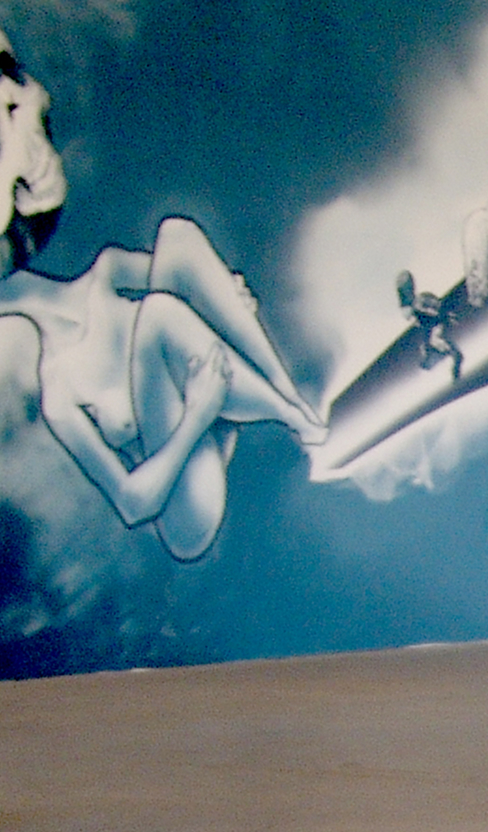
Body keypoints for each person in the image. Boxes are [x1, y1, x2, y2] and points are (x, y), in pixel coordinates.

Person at [0, 31, 326, 563]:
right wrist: (199, 412)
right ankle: (286, 412)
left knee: (177, 235)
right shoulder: (59, 391)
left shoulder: (104, 278)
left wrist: (228, 296)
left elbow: (194, 273)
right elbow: (133, 504)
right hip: (186, 503)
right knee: (154, 319)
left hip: (218, 398)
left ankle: (289, 403)